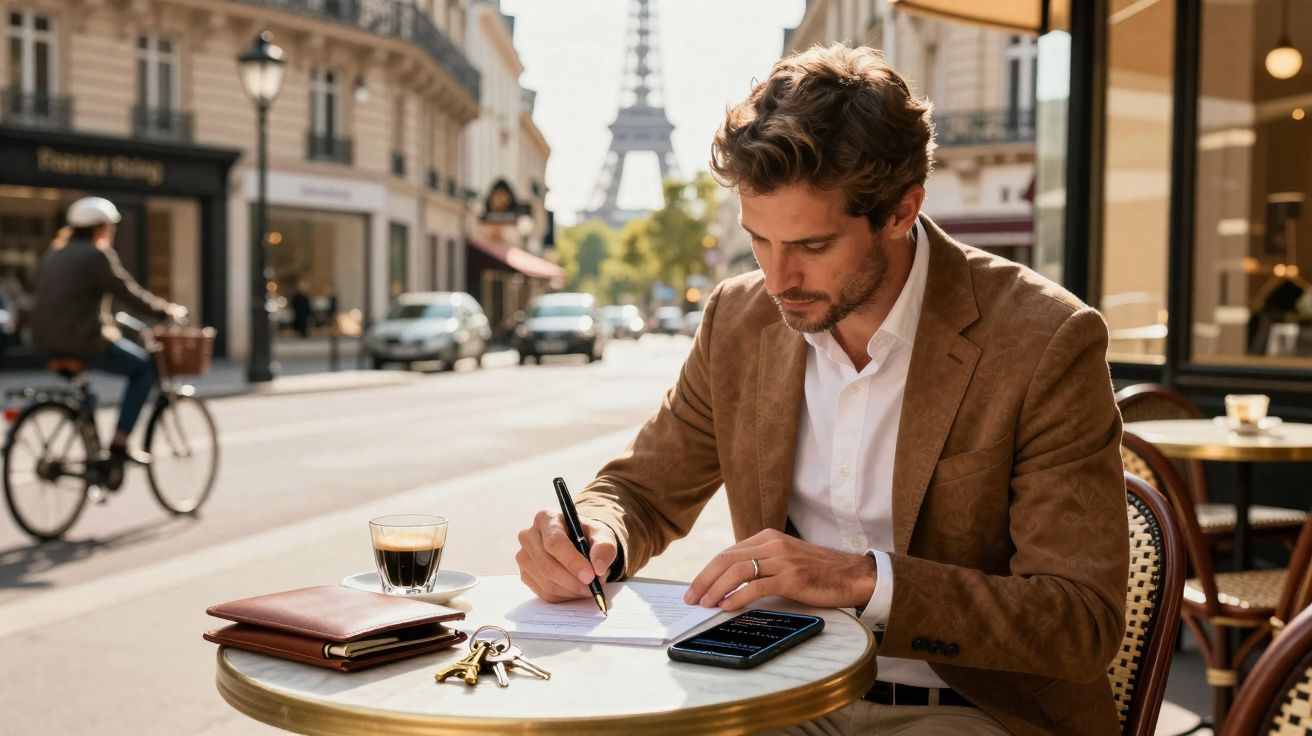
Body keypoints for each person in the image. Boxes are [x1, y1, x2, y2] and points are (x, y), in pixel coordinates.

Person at [515, 44, 1126, 736]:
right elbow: (641, 491)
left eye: (812, 247)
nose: (778, 280)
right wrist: (595, 532)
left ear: (901, 211)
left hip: (970, 709)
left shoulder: (1044, 340)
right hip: (779, 691)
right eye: (759, 241)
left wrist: (863, 580)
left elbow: (1080, 620)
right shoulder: (738, 318)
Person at [30, 197, 185, 490]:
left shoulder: (55, 252)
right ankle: (120, 443)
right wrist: (166, 311)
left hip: (44, 341)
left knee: (86, 395)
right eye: (110, 227)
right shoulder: (96, 255)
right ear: (101, 228)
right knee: (144, 368)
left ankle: (89, 437)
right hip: (82, 340)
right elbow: (127, 292)